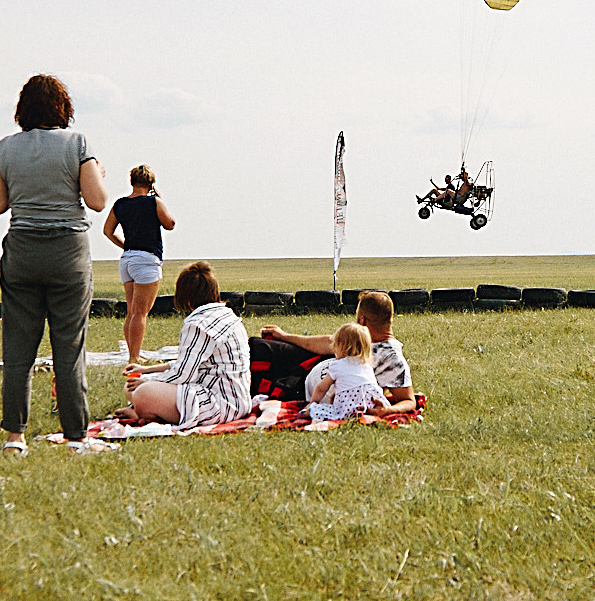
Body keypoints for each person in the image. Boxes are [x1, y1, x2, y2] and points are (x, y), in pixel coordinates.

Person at [0, 74, 108, 456]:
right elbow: (98, 201)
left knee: (18, 350)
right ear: (63, 108)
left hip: (22, 251)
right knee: (68, 348)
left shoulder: (5, 148)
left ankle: (14, 438)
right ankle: (76, 437)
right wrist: (97, 174)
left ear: (22, 110)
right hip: (67, 254)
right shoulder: (77, 144)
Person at [124, 262, 251, 431]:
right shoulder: (227, 315)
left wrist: (147, 380)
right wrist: (146, 370)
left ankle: (145, 413)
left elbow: (182, 374)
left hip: (219, 403)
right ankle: (147, 412)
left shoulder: (198, 324)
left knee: (142, 392)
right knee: (132, 387)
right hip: (239, 401)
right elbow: (190, 362)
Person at [260, 289, 415, 406]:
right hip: (309, 366)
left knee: (259, 375)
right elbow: (327, 342)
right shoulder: (361, 337)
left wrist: (387, 411)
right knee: (259, 347)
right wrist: (283, 336)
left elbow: (408, 400)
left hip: (300, 388)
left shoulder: (392, 358)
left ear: (362, 321)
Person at [103, 165, 176, 367]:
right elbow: (170, 224)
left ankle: (133, 352)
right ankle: (134, 356)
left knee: (132, 310)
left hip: (127, 259)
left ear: (131, 182)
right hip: (147, 259)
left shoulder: (120, 204)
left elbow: (108, 231)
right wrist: (159, 200)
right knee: (140, 312)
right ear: (151, 183)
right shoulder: (153, 202)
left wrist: (126, 245)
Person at [305, 323, 390, 422]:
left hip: (347, 409)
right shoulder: (367, 365)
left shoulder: (337, 365)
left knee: (318, 410)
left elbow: (321, 388)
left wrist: (312, 403)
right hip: (370, 406)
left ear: (341, 345)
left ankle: (309, 411)